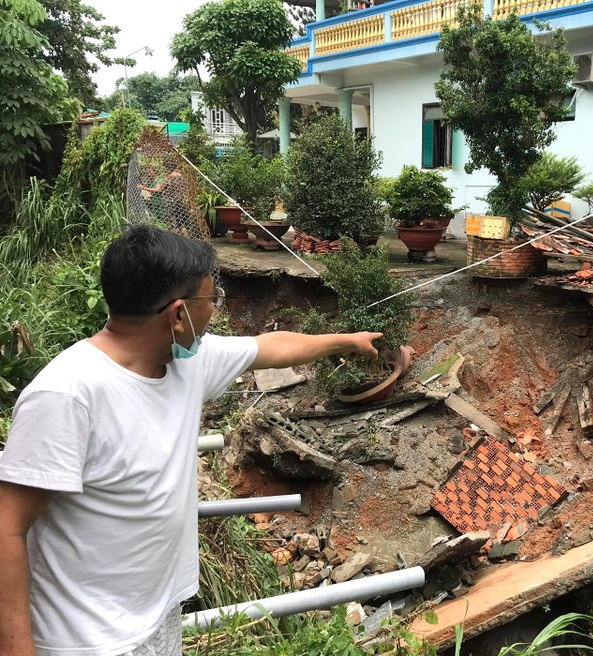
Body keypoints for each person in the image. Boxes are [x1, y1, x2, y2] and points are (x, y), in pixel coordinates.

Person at [0, 225, 381, 656]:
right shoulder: (67, 395)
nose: (214, 311)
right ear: (178, 315)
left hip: (157, 618)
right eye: (210, 300)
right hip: (84, 641)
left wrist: (346, 341)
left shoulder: (186, 361)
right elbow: (6, 527)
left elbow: (269, 347)